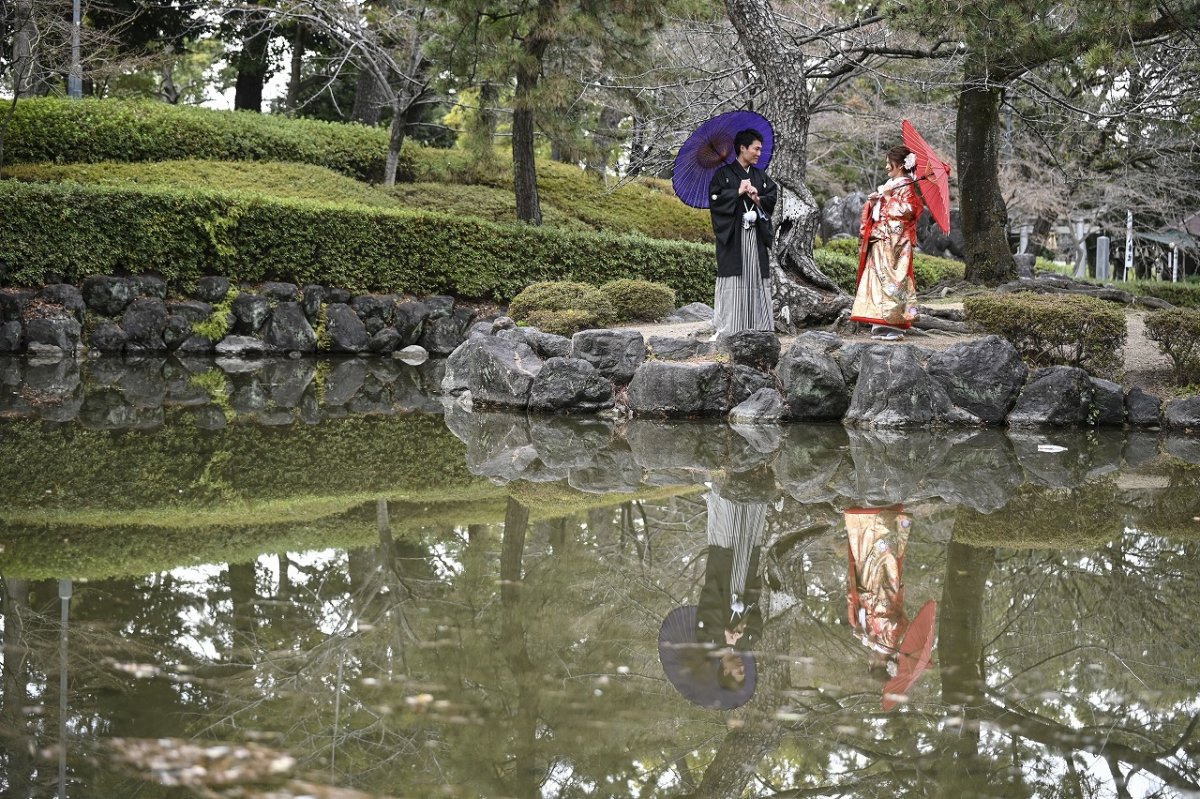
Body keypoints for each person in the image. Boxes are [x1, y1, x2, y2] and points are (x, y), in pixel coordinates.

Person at [708, 128, 778, 338]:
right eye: (756, 149)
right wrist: (736, 192)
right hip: (734, 237)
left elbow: (771, 199)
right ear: (743, 148)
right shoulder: (723, 175)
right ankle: (730, 328)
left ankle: (760, 327)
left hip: (755, 236)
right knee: (734, 279)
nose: (758, 153)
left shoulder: (761, 177)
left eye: (760, 150)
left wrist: (757, 199)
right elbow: (714, 200)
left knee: (756, 277)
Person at [851, 145, 925, 341]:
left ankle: (896, 325)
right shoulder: (892, 184)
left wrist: (888, 198)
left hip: (896, 243)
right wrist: (874, 204)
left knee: (895, 280)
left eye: (888, 163)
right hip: (882, 239)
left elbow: (909, 212)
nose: (886, 166)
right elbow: (880, 214)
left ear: (900, 165)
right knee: (877, 279)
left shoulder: (907, 185)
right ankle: (879, 322)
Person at [844, 506, 911, 678]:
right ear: (880, 664)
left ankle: (866, 517)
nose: (869, 660)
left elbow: (861, 614)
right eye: (871, 664)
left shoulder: (873, 640)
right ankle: (882, 516)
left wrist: (861, 627)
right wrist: (873, 641)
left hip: (868, 590)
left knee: (864, 553)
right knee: (882, 554)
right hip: (883, 590)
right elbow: (898, 622)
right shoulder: (891, 642)